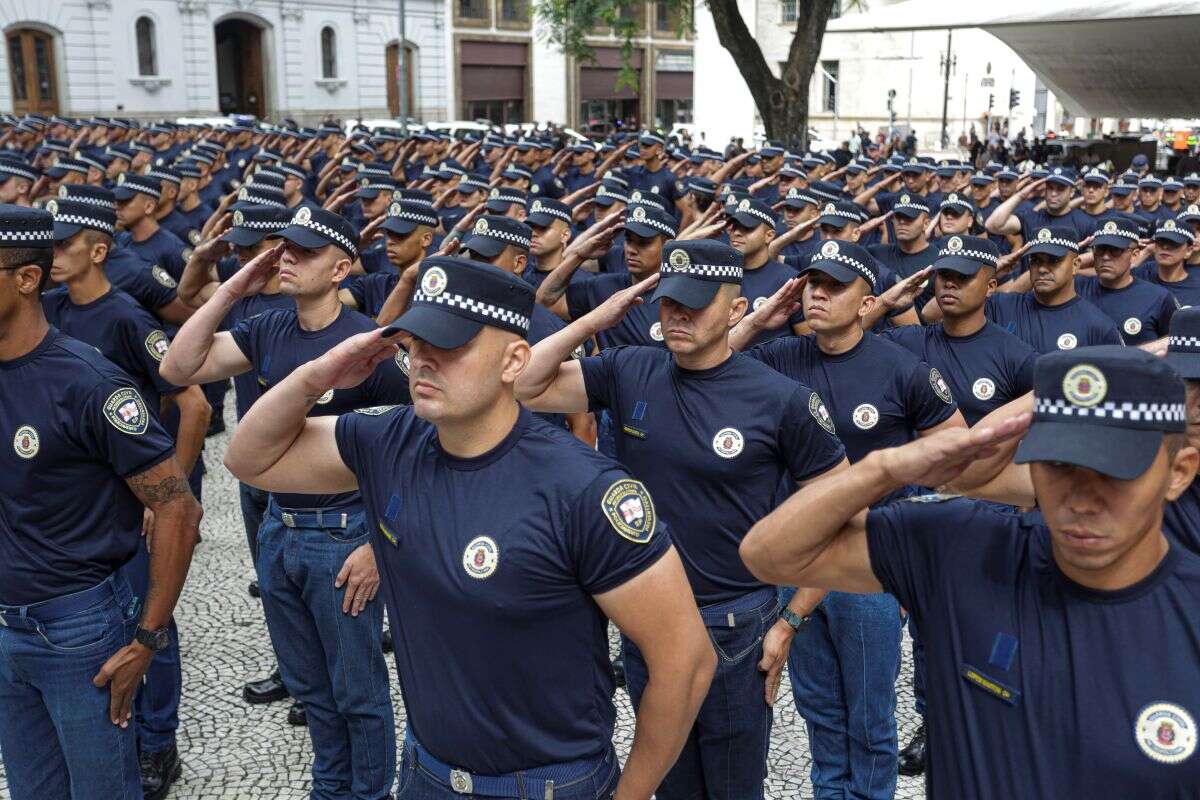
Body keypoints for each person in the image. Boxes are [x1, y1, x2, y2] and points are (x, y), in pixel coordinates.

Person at [223, 254, 716, 799]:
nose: (424, 360)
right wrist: (319, 373)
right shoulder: (390, 439)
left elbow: (687, 660)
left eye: (450, 344)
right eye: (414, 342)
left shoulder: (583, 488)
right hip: (425, 773)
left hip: (546, 784)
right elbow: (249, 459)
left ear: (514, 361)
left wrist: (632, 794)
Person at [743, 345, 1200, 797]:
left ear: (1179, 472)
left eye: (1116, 473)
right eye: (1060, 466)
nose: (1081, 500)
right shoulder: (965, 549)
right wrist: (885, 469)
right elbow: (770, 554)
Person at [515, 239, 848, 799]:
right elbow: (525, 387)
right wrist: (598, 317)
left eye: (695, 303)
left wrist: (794, 617)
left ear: (737, 310)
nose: (678, 315)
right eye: (670, 302)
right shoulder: (630, 369)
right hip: (649, 618)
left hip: (733, 626)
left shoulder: (781, 399)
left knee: (731, 785)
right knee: (668, 780)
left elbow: (840, 505)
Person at [160, 206, 405, 798]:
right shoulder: (268, 326)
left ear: (342, 268)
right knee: (310, 685)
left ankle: (368, 792)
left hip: (344, 533)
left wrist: (380, 544)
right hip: (279, 525)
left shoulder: (365, 344)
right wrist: (234, 287)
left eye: (305, 252)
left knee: (358, 691)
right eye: (284, 249)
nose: (286, 258)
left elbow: (414, 457)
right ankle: (331, 787)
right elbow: (178, 364)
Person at [730, 238, 965, 800]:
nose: (817, 295)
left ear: (867, 303)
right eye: (812, 283)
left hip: (868, 568)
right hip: (798, 557)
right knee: (819, 712)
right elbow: (710, 360)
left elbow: (954, 458)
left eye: (834, 287)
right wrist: (761, 320)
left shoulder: (902, 369)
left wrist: (913, 543)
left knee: (869, 717)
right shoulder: (782, 357)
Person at [0, 204, 202, 799]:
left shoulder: (90, 382)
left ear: (25, 278)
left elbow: (178, 508)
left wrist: (147, 637)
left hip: (80, 630)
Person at [983, 228, 1123, 353]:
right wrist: (990, 270)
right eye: (1036, 261)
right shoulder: (1001, 306)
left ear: (1075, 265)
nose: (1042, 269)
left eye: (1054, 261)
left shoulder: (1098, 326)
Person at [1074, 217, 1178, 345]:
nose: (1106, 257)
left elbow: (1174, 342)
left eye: (1116, 250)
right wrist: (1071, 253)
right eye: (1100, 249)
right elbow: (1058, 271)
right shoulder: (1076, 287)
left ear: (1134, 255)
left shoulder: (1158, 298)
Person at [113, 174, 189, 282]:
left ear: (149, 207)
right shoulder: (122, 240)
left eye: (124, 201)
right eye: (117, 202)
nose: (117, 207)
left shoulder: (172, 249)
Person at [1134, 218, 1200, 308]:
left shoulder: (1197, 290)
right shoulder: (1143, 274)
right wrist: (1146, 251)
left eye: (1173, 243)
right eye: (1160, 241)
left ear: (1188, 251)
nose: (1165, 247)